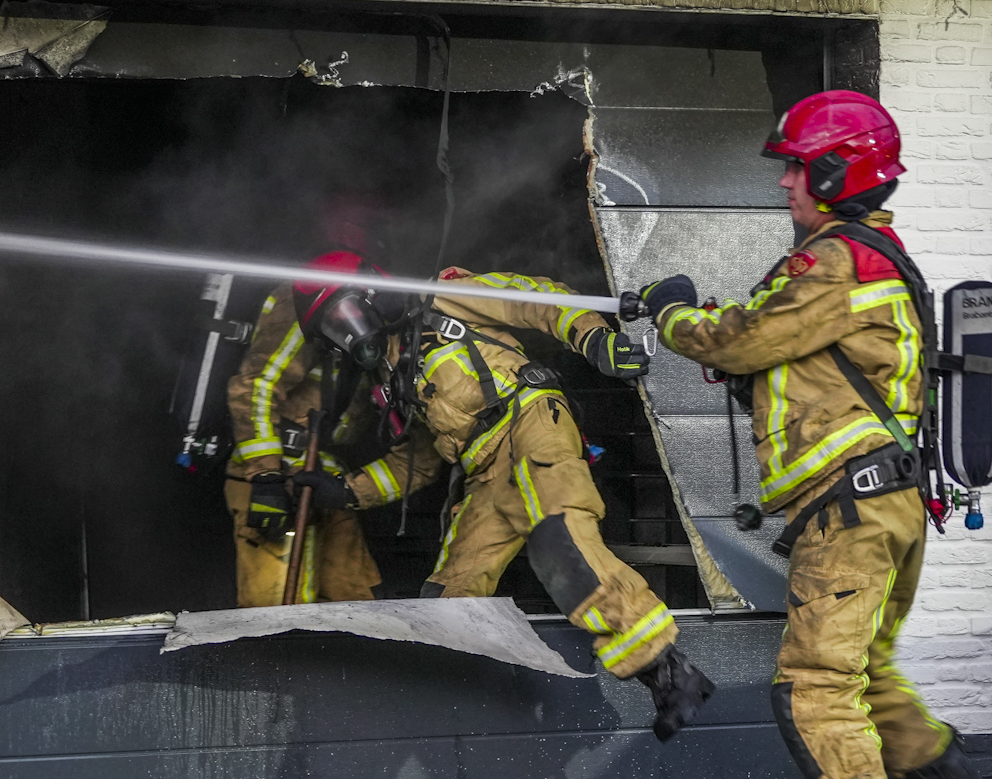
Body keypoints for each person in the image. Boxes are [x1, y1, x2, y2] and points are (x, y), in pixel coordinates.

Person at [639, 90, 992, 779]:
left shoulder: (836, 260)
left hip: (848, 516)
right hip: (887, 506)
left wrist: (672, 313)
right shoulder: (875, 259)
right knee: (867, 676)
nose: (785, 186)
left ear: (838, 172)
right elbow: (796, 364)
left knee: (812, 689)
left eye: (795, 169)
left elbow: (740, 334)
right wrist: (751, 376)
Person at [293, 265, 718, 741]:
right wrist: (350, 490)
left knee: (561, 542)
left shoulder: (442, 298)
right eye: (335, 328)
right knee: (448, 597)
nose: (350, 333)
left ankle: (669, 673)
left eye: (346, 313)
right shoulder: (394, 375)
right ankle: (462, 716)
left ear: (371, 294)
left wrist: (594, 339)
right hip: (484, 474)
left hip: (528, 421)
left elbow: (536, 298)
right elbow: (418, 460)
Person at [223, 214, 390, 606]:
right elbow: (255, 386)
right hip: (277, 476)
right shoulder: (312, 296)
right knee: (276, 615)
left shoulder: (373, 308)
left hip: (324, 479)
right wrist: (265, 476)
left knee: (360, 607)